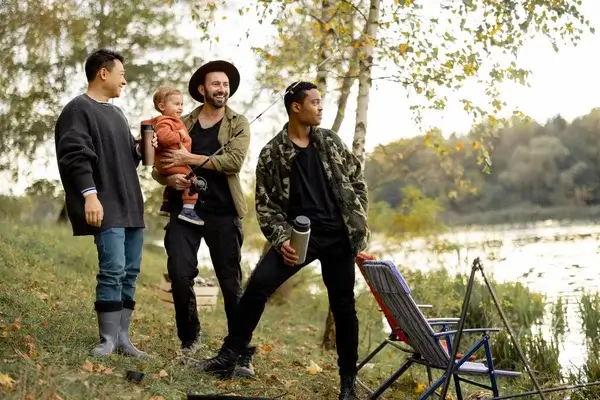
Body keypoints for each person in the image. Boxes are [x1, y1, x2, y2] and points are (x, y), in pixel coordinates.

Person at [195, 81, 371, 400]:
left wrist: (357, 220)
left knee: (344, 306)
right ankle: (229, 356)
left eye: (321, 101)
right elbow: (266, 206)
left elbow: (357, 180)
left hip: (339, 238)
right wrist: (281, 239)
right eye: (315, 102)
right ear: (296, 107)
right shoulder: (272, 153)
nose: (320, 107)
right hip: (300, 238)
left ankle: (348, 383)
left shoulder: (330, 141)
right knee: (258, 286)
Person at [151, 60, 255, 377]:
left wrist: (190, 158)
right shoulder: (180, 122)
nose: (221, 89)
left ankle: (241, 352)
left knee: (231, 284)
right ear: (202, 89)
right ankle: (190, 337)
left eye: (225, 84)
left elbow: (233, 161)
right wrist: (168, 179)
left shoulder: (239, 123)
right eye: (215, 84)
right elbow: (158, 166)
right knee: (179, 273)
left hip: (223, 212)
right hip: (184, 210)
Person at [54, 48, 156, 358]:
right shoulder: (78, 110)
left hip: (132, 206)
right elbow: (75, 156)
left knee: (130, 272)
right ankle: (107, 340)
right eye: (121, 74)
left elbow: (125, 159)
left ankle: (124, 339)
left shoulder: (117, 114)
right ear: (103, 73)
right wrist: (90, 195)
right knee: (112, 270)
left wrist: (140, 148)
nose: (124, 80)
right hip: (105, 204)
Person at [145, 85, 203, 226]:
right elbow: (163, 137)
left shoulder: (170, 121)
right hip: (171, 160)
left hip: (167, 162)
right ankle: (188, 209)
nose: (180, 108)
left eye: (181, 104)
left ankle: (166, 204)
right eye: (176, 104)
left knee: (177, 179)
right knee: (191, 180)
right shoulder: (165, 121)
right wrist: (180, 134)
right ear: (162, 106)